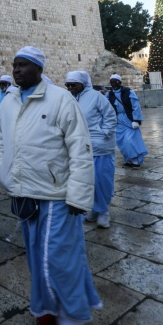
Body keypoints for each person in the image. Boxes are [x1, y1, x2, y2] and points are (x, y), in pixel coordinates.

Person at [0, 47, 101, 325]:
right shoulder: (8, 101)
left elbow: (80, 147)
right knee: (37, 260)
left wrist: (79, 195)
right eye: (14, 65)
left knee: (57, 260)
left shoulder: (60, 99)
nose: (17, 70)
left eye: (24, 65)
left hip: (56, 195)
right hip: (24, 193)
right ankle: (47, 311)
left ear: (39, 70)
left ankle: (74, 316)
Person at [65, 71, 117, 229]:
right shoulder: (71, 98)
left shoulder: (96, 96)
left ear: (83, 83)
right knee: (88, 181)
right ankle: (94, 209)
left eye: (74, 85)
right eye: (68, 85)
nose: (70, 88)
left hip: (100, 146)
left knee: (102, 180)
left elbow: (110, 116)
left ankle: (104, 211)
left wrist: (104, 133)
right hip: (81, 147)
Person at [108, 74, 148, 168]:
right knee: (121, 142)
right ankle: (129, 160)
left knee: (130, 140)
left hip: (129, 119)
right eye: (112, 82)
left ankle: (136, 161)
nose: (113, 84)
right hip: (118, 121)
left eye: (115, 81)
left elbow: (135, 106)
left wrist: (136, 120)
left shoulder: (128, 91)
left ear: (120, 82)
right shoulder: (109, 94)